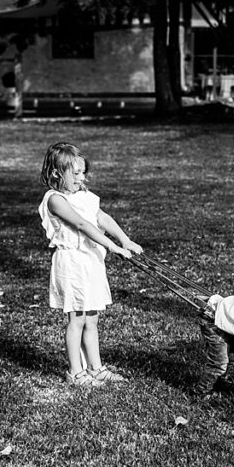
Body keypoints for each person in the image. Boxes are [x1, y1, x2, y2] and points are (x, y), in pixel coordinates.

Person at [38, 142, 143, 387]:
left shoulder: (84, 196)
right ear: (56, 173)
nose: (81, 177)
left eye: (83, 172)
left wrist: (125, 240)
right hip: (72, 262)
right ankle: (76, 372)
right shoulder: (55, 200)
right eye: (75, 173)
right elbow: (83, 225)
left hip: (91, 260)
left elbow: (101, 218)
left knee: (92, 318)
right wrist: (113, 246)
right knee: (77, 319)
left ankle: (96, 368)